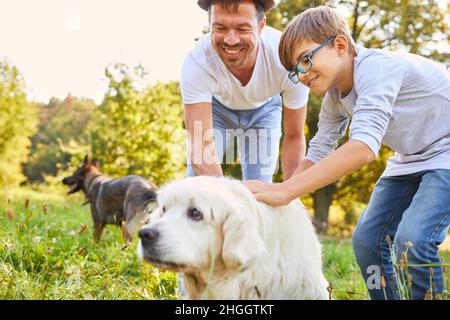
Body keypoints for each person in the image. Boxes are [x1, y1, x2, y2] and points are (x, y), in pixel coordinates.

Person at [244, 6, 450, 300]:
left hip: (446, 153)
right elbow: (319, 149)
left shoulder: (377, 68)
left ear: (339, 45)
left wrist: (287, 191)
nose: (301, 75)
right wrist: (282, 188)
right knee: (367, 239)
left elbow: (363, 149)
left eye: (305, 60)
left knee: (413, 240)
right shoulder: (335, 98)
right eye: (295, 70)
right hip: (410, 158)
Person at [180, 0, 310, 183]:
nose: (230, 40)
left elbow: (295, 136)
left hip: (264, 110)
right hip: (217, 110)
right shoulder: (197, 63)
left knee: (261, 186)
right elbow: (201, 147)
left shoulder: (288, 58)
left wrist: (291, 193)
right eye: (220, 28)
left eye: (242, 29)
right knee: (198, 186)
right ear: (210, 25)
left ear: (261, 25)